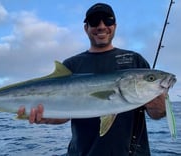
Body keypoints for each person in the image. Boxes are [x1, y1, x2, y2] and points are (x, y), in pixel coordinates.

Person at [18, 3, 166, 156]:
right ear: (86, 28)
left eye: (108, 21)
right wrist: (47, 117)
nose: (101, 26)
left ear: (114, 26)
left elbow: (157, 114)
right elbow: (65, 115)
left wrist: (159, 105)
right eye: (94, 21)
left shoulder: (135, 61)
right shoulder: (72, 65)